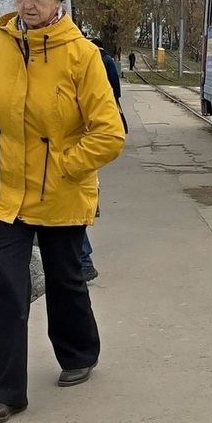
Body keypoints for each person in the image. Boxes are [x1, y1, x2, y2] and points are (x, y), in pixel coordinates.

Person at [0, 0, 125, 423]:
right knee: (5, 289)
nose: (27, 4)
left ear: (59, 0)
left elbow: (110, 132)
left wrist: (64, 166)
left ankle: (79, 353)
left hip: (59, 191)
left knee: (65, 281)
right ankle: (8, 391)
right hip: (2, 191)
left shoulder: (81, 55)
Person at [80, 37, 128, 283]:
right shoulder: (103, 57)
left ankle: (85, 262)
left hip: (66, 171)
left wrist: (67, 165)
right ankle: (84, 262)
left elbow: (111, 136)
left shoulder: (86, 56)